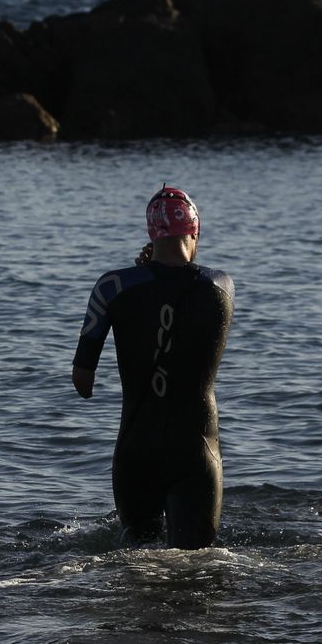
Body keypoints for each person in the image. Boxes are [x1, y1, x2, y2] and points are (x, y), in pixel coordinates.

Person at [71, 186, 235, 549]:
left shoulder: (112, 286)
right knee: (198, 570)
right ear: (194, 231)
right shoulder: (221, 286)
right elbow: (186, 279)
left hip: (137, 448)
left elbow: (82, 382)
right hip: (196, 451)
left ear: (151, 233)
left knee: (137, 562)